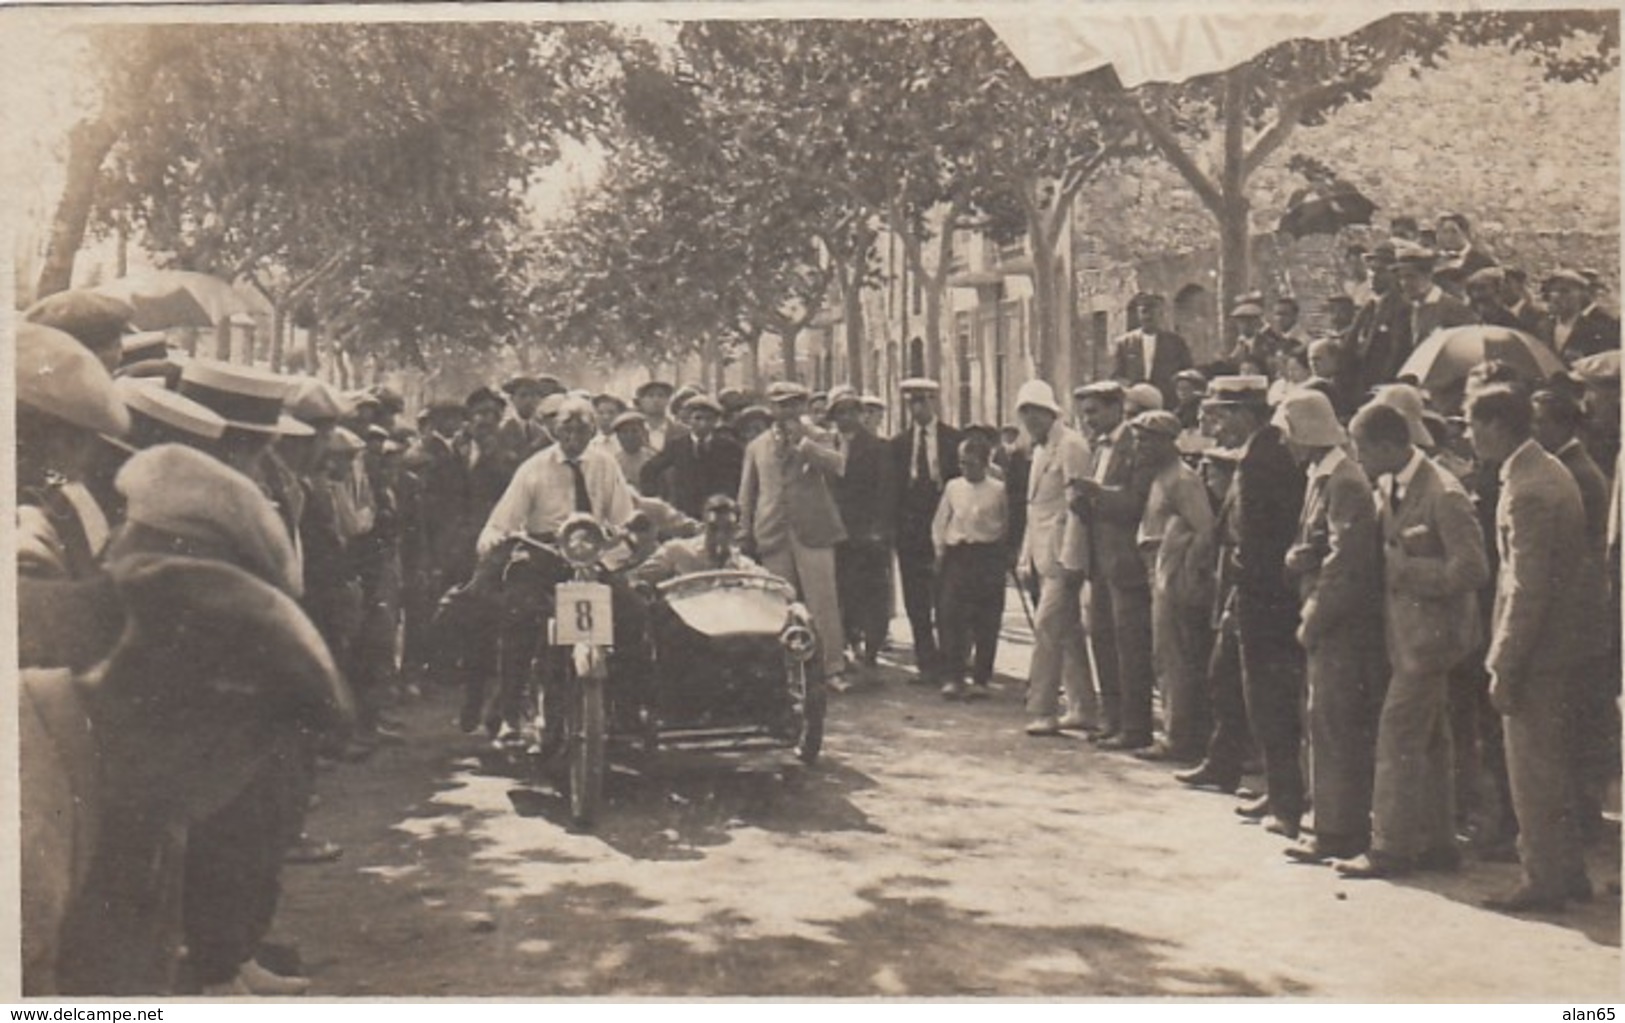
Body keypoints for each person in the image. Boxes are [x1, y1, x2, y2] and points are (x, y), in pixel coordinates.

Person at [1334, 402, 1488, 880]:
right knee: (1432, 740)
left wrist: (1408, 572)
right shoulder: (1390, 485)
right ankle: (1438, 842)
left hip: (1433, 640)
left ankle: (1391, 848)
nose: (1356, 457)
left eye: (1360, 447)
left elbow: (1472, 568)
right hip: (1407, 638)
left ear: (1387, 445)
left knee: (1398, 734)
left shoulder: (1444, 493)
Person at [1465, 386, 1598, 911]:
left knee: (1532, 770)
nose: (1469, 436)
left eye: (1473, 425)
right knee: (1551, 765)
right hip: (1559, 644)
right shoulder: (1540, 471)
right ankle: (1567, 871)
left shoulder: (1529, 487)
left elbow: (1526, 586)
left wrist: (1504, 660)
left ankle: (1542, 878)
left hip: (1538, 650)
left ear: (1497, 425)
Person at [477, 396, 639, 745]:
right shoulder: (533, 468)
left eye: (582, 428)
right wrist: (493, 538)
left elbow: (623, 518)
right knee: (520, 615)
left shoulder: (605, 464)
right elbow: (502, 520)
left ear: (594, 430)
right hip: (545, 555)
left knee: (633, 611)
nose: (573, 435)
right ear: (554, 430)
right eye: (566, 427)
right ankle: (510, 713)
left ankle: (628, 708)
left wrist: (614, 553)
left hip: (592, 555)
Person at [1273, 391, 1383, 863]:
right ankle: (1327, 820)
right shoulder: (1321, 478)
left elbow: (1347, 562)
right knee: (1321, 719)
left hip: (1339, 624)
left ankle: (1337, 829)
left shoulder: (1344, 481)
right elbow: (1320, 545)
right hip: (1325, 616)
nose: (1286, 445)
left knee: (1334, 722)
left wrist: (1315, 617)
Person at [1203, 376, 1306, 838]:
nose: (1216, 425)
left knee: (1269, 699)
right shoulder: (1261, 451)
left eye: (1223, 415)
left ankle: (1286, 802)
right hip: (1253, 592)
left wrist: (1242, 573)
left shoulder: (1265, 458)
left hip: (1265, 597)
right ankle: (1275, 786)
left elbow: (1261, 536)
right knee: (1242, 688)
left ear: (1245, 414)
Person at [1529, 387, 1617, 845]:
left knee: (1575, 723)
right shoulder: (1574, 469)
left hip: (1575, 618)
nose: (1534, 431)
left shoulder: (1575, 473)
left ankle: (1581, 820)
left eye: (1541, 423)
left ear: (1564, 425)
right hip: (1579, 617)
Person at [737, 382, 849, 688]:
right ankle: (779, 669)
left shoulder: (820, 436)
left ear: (802, 406)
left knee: (822, 599)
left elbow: (838, 465)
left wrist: (805, 444)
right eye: (781, 404)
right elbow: (747, 493)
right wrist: (744, 530)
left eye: (794, 404)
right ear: (771, 408)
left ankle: (831, 668)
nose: (787, 411)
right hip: (773, 529)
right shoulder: (757, 445)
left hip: (813, 528)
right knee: (776, 600)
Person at [1071, 381, 1155, 751]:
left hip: (1125, 561)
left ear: (1116, 407)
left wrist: (1095, 494)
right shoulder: (1096, 448)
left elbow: (1137, 502)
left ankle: (1136, 727)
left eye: (1094, 412)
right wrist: (1081, 503)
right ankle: (1113, 720)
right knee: (1103, 639)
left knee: (1129, 645)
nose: (1088, 421)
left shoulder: (1135, 446)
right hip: (1100, 559)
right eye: (1084, 413)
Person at [1128, 410, 1214, 764]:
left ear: (1167, 441)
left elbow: (1204, 529)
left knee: (1174, 657)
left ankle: (1179, 737)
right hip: (1157, 567)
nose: (1140, 446)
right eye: (1137, 439)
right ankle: (1178, 731)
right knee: (1164, 655)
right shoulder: (1160, 477)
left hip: (1173, 571)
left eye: (1146, 439)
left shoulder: (1182, 479)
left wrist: (1187, 574)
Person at [16, 324, 132, 581]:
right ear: (65, 442)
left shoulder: (45, 507)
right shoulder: (30, 547)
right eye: (87, 440)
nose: (88, 456)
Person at [1013, 380, 1094, 737]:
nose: (1030, 419)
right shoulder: (1040, 449)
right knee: (1068, 631)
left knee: (1047, 628)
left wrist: (1072, 558)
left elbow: (1078, 507)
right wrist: (1025, 556)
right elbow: (1035, 508)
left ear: (1051, 412)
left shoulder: (1072, 445)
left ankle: (1043, 707)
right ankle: (1082, 706)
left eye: (1035, 412)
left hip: (1065, 553)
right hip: (1043, 553)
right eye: (1024, 413)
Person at [889, 378, 961, 685]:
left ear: (935, 401)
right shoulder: (898, 444)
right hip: (911, 528)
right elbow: (889, 489)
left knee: (947, 596)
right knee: (916, 600)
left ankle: (951, 661)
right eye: (912, 402)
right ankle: (925, 662)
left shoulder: (953, 440)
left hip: (945, 525)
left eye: (923, 400)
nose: (918, 407)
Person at [931, 434, 1008, 701]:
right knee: (952, 616)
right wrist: (940, 551)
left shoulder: (998, 489)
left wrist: (1005, 554)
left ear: (986, 463)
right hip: (958, 555)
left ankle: (981, 678)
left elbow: (1006, 523)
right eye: (962, 463)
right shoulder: (953, 487)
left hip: (987, 556)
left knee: (986, 618)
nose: (966, 469)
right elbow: (940, 522)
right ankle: (953, 676)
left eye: (973, 464)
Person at [829, 389, 895, 677]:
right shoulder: (825, 444)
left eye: (851, 412)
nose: (846, 418)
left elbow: (885, 490)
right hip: (834, 530)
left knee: (873, 589)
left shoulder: (878, 447)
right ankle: (849, 640)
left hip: (867, 531)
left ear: (860, 415)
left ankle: (872, 646)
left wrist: (879, 527)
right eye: (840, 413)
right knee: (842, 588)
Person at [638, 394, 744, 518]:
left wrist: (733, 502)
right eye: (698, 418)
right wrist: (658, 503)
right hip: (685, 513)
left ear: (716, 421)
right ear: (688, 420)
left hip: (720, 515)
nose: (703, 424)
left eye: (709, 419)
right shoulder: (676, 446)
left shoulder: (729, 448)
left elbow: (742, 478)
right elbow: (649, 470)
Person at [634, 495, 761, 582]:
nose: (720, 536)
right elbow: (637, 579)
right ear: (703, 525)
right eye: (713, 528)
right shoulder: (675, 551)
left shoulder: (745, 569)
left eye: (727, 529)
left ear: (736, 531)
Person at [1110, 292, 1193, 410]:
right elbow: (1117, 375)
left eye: (1154, 313)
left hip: (1167, 402)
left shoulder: (1176, 342)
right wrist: (1131, 390)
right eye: (1144, 312)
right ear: (1138, 314)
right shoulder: (1124, 343)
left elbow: (1186, 372)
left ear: (1161, 314)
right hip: (1136, 402)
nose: (1148, 317)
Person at [1392, 242, 1475, 350]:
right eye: (1401, 278)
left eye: (1411, 277)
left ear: (1428, 275)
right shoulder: (1405, 310)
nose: (1404, 283)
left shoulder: (1453, 308)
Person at [1542, 268, 1621, 362]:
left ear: (1582, 294)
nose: (1556, 296)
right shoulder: (1544, 326)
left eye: (1565, 291)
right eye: (1552, 291)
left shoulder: (1599, 328)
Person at [1435, 211, 1498, 278]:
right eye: (1445, 232)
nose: (1449, 237)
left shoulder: (1483, 262)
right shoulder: (1435, 260)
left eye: (1454, 232)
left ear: (1465, 232)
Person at [609, 411, 656, 491]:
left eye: (634, 431)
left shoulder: (653, 459)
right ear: (618, 436)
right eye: (624, 432)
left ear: (643, 433)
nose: (630, 436)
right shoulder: (613, 461)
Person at [635, 380, 685, 453]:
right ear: (641, 401)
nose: (656, 400)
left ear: (667, 400)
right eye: (650, 396)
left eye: (661, 395)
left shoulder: (681, 431)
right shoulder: (633, 431)